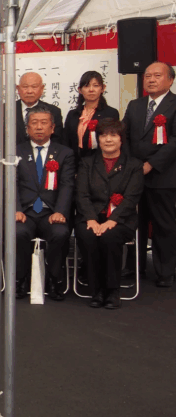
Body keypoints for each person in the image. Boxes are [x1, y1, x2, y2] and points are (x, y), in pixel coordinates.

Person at [75, 118, 144, 309]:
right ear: (98, 139)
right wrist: (91, 219)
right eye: (103, 135)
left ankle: (112, 290)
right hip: (91, 217)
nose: (108, 139)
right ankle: (96, 290)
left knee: (110, 237)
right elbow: (81, 195)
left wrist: (112, 221)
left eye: (113, 135)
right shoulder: (87, 163)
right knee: (88, 236)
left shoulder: (134, 165)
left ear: (121, 139)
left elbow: (131, 198)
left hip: (121, 219)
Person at [123, 61, 176, 286]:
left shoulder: (174, 104)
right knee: (135, 222)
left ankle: (165, 271)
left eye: (157, 75)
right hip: (135, 175)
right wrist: (132, 165)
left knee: (164, 225)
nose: (151, 80)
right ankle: (135, 267)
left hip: (163, 176)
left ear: (170, 80)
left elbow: (174, 141)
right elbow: (124, 136)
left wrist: (151, 164)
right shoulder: (135, 105)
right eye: (147, 76)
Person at [15, 106, 75, 301]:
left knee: (61, 234)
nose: (39, 127)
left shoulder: (64, 153)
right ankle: (21, 279)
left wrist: (60, 211)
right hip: (26, 212)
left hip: (52, 212)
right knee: (18, 233)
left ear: (52, 127)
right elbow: (11, 184)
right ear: (27, 128)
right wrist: (16, 209)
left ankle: (54, 279)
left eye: (44, 123)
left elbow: (67, 185)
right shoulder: (16, 151)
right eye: (34, 123)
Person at [64, 70, 119, 160]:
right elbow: (66, 141)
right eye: (86, 86)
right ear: (80, 90)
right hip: (74, 162)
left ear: (103, 88)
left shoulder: (110, 113)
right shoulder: (72, 114)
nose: (91, 90)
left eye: (95, 85)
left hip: (99, 162)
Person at [15, 72, 64, 145]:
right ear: (18, 89)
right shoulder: (4, 110)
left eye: (34, 87)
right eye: (25, 87)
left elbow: (57, 142)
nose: (29, 91)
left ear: (42, 89)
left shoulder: (53, 111)